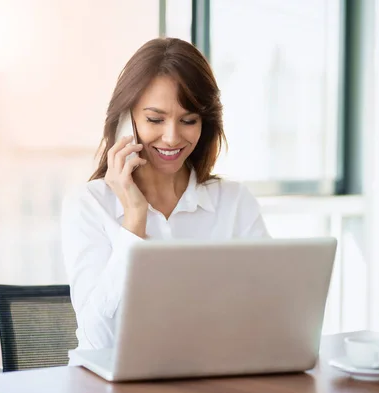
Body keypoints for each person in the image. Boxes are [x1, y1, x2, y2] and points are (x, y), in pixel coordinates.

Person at [61, 37, 269, 351]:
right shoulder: (89, 205)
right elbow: (99, 340)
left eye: (188, 121)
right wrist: (134, 222)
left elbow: (269, 317)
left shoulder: (235, 202)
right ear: (125, 121)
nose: (172, 138)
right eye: (155, 119)